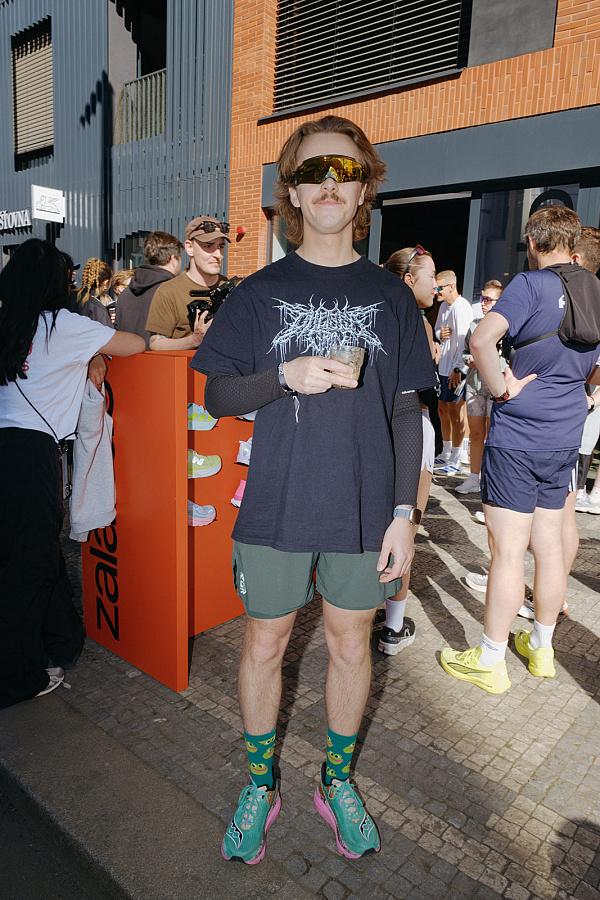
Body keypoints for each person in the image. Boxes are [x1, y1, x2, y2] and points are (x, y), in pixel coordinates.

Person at [191, 115, 435, 864]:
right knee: (264, 642)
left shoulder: (391, 296)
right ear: (291, 191)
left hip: (366, 510)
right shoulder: (259, 292)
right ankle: (260, 785)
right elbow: (218, 394)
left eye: (346, 170)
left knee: (351, 642)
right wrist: (285, 376)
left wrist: (405, 514)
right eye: (313, 171)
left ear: (364, 190)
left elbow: (406, 412)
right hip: (277, 504)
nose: (330, 183)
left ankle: (336, 781)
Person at [441, 206, 600, 694]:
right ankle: (542, 648)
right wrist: (583, 388)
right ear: (572, 242)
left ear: (532, 242)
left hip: (519, 437)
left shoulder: (530, 284)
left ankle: (490, 659)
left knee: (508, 552)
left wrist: (501, 388)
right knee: (550, 548)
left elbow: (481, 338)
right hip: (566, 437)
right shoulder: (595, 288)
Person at [0, 239, 144, 710]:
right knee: (26, 568)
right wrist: (95, 351)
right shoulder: (62, 324)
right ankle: (17, 677)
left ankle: (62, 641)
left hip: (10, 450)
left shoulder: (9, 321)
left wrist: (89, 353)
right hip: (30, 457)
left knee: (34, 557)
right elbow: (136, 344)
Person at [375, 246, 440, 654]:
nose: (437, 286)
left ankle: (366, 607)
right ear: (409, 279)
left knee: (378, 524)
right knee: (405, 528)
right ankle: (393, 628)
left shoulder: (375, 316)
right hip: (412, 427)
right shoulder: (417, 323)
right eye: (431, 276)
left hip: (377, 430)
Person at [146, 216, 229, 351]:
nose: (218, 254)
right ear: (190, 248)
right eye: (208, 246)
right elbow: (156, 343)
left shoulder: (235, 289)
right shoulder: (169, 291)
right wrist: (194, 341)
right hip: (187, 364)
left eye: (221, 246)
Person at [455, 281, 505, 495]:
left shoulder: (508, 327)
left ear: (499, 302)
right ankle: (473, 478)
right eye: (482, 298)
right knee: (476, 433)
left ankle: (490, 481)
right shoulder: (474, 324)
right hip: (475, 385)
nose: (482, 303)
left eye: (487, 299)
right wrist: (471, 360)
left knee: (495, 436)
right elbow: (465, 353)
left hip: (497, 387)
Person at [433, 271, 473, 474]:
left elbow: (466, 341)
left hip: (456, 369)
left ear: (451, 287)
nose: (436, 291)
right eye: (435, 287)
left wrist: (458, 368)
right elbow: (438, 330)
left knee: (457, 413)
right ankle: (446, 452)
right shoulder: (443, 306)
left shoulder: (461, 307)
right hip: (444, 366)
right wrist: (440, 333)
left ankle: (457, 458)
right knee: (443, 409)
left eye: (440, 287)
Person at [116, 232, 183, 349]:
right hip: (163, 359)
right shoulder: (173, 291)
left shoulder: (125, 294)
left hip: (127, 359)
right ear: (173, 259)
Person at [76, 258, 114, 328]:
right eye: (111, 282)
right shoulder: (98, 308)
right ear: (105, 283)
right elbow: (107, 332)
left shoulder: (74, 296)